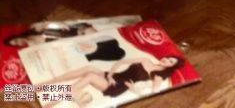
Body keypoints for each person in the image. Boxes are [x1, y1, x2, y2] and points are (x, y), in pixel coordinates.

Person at [36, 55, 184, 104]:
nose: (166, 60)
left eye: (170, 62)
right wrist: (111, 75)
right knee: (89, 68)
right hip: (114, 77)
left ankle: (53, 102)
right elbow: (121, 62)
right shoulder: (145, 60)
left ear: (171, 67)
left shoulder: (158, 77)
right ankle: (45, 85)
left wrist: (134, 89)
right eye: (168, 58)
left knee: (90, 76)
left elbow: (152, 95)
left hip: (118, 87)